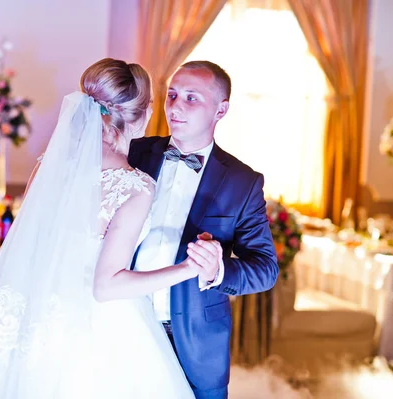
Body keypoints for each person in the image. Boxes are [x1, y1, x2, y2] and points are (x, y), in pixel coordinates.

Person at [0, 59, 206, 399]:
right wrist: (186, 268)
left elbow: (20, 240)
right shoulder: (135, 187)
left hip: (28, 310)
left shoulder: (49, 165)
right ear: (145, 112)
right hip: (94, 331)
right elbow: (106, 286)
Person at [127, 60, 278, 399]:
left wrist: (218, 269)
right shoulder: (134, 152)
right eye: (172, 95)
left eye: (192, 98)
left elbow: (266, 268)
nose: (176, 106)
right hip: (121, 325)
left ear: (220, 110)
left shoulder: (242, 182)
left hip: (194, 343)